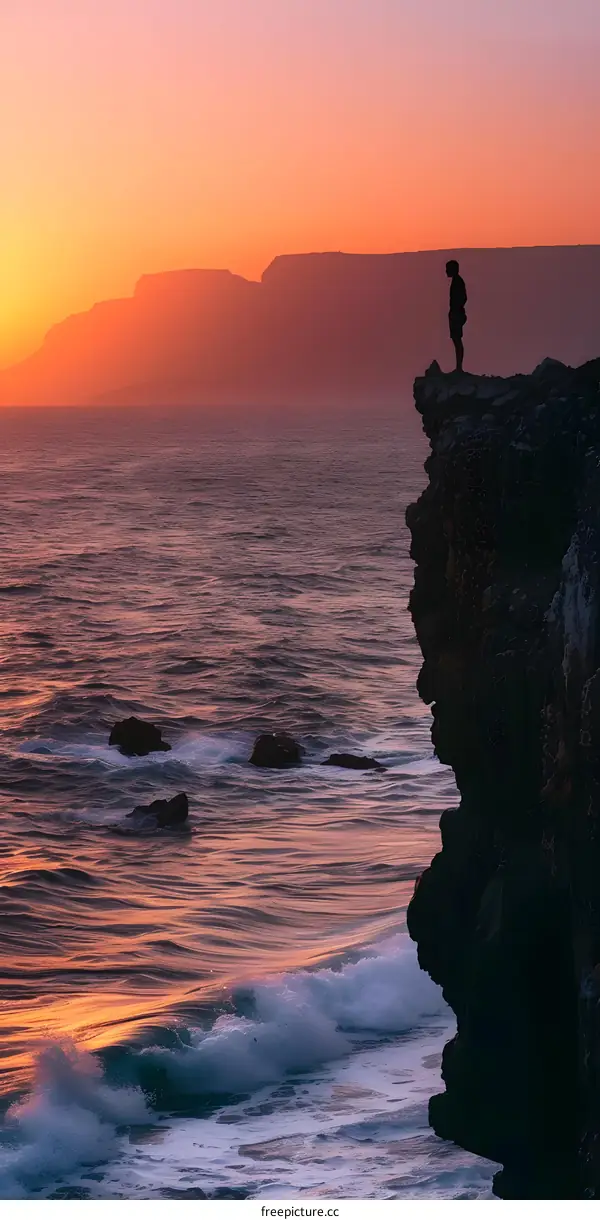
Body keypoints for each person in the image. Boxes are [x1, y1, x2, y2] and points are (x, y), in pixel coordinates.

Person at [446, 259, 467, 373]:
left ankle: (459, 367)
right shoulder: (456, 281)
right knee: (456, 339)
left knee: (457, 340)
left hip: (456, 313)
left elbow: (462, 298)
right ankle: (458, 366)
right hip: (456, 313)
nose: (446, 271)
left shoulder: (458, 282)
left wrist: (457, 311)